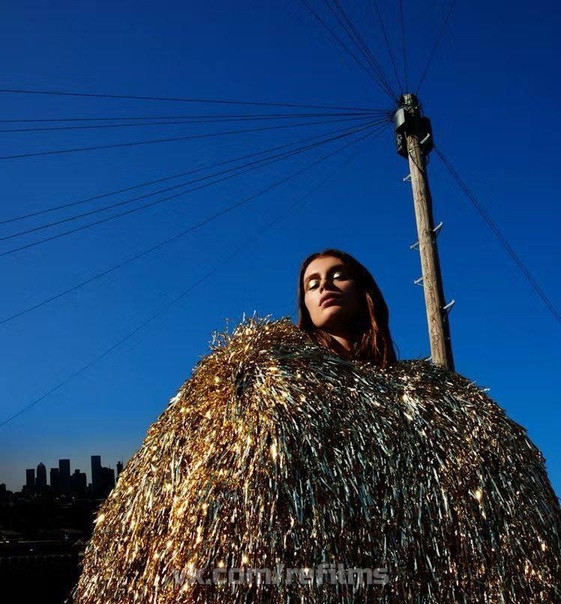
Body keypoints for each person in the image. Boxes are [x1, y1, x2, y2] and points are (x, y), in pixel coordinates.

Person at [297, 248, 396, 368]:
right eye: (313, 285)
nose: (324, 284)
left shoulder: (407, 377)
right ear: (305, 307)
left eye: (338, 276)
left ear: (362, 290)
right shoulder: (284, 369)